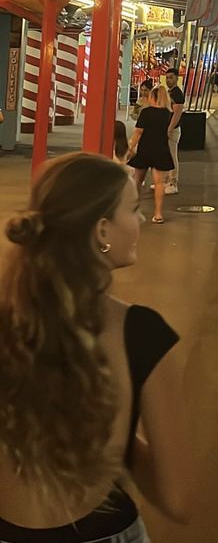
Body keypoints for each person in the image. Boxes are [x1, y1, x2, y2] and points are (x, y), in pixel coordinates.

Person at [0, 153, 191, 538]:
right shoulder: (140, 334)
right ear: (102, 230)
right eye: (132, 210)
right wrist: (109, 434)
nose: (138, 221)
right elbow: (177, 500)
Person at [128, 85, 176, 223]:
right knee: (159, 183)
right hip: (160, 149)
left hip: (145, 149)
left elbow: (138, 132)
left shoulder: (146, 112)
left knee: (137, 181)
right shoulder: (167, 113)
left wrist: (131, 147)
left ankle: (134, 210)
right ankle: (158, 214)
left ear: (152, 97)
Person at [164, 67, 185, 195]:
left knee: (172, 156)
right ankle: (167, 181)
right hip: (167, 128)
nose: (168, 80)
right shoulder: (169, 92)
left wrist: (170, 129)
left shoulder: (177, 94)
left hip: (173, 130)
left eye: (171, 77)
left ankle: (173, 182)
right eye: (167, 77)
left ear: (177, 78)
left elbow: (177, 114)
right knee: (166, 156)